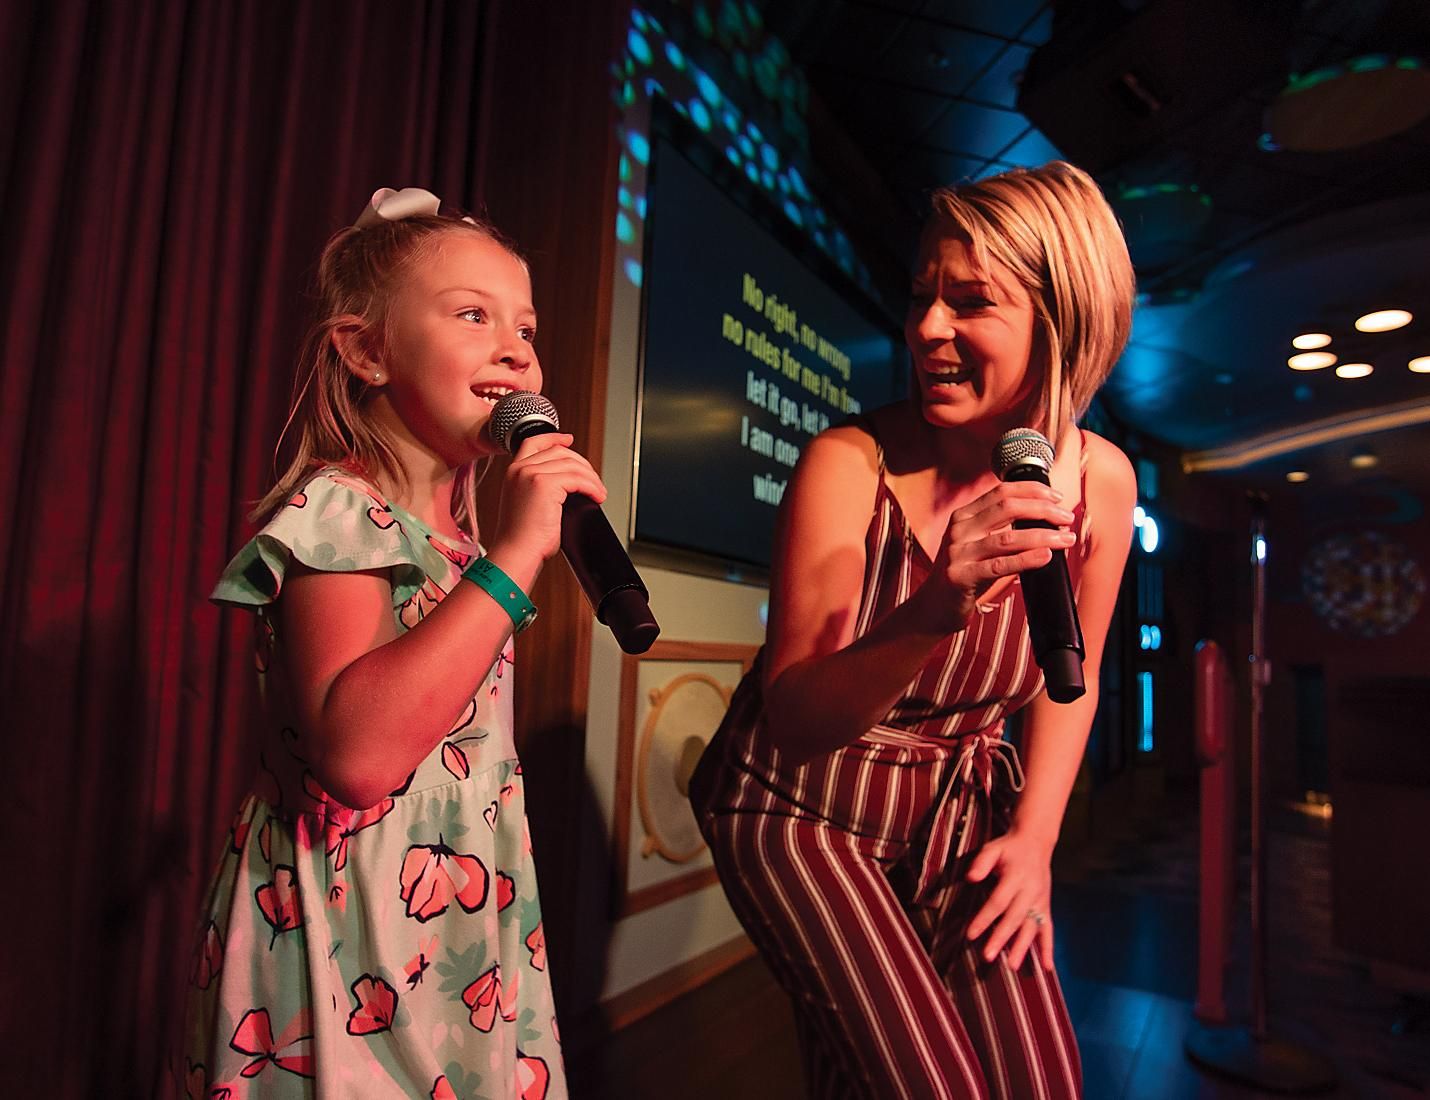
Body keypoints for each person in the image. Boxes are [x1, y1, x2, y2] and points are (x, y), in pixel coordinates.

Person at [690, 161, 1137, 1100]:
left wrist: (1035, 840)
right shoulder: (845, 465)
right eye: (923, 296)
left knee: (1042, 1083)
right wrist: (937, 602)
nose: (928, 328)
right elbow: (798, 718)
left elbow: (1076, 674)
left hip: (951, 808)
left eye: (970, 302)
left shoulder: (1102, 481)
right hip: (796, 807)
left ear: (1063, 325)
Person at [180, 187, 600, 1099]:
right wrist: (523, 552)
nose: (515, 348)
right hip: (352, 928)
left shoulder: (461, 544)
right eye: (473, 315)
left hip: (455, 919)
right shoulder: (340, 510)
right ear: (366, 350)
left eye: (524, 328)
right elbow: (360, 756)